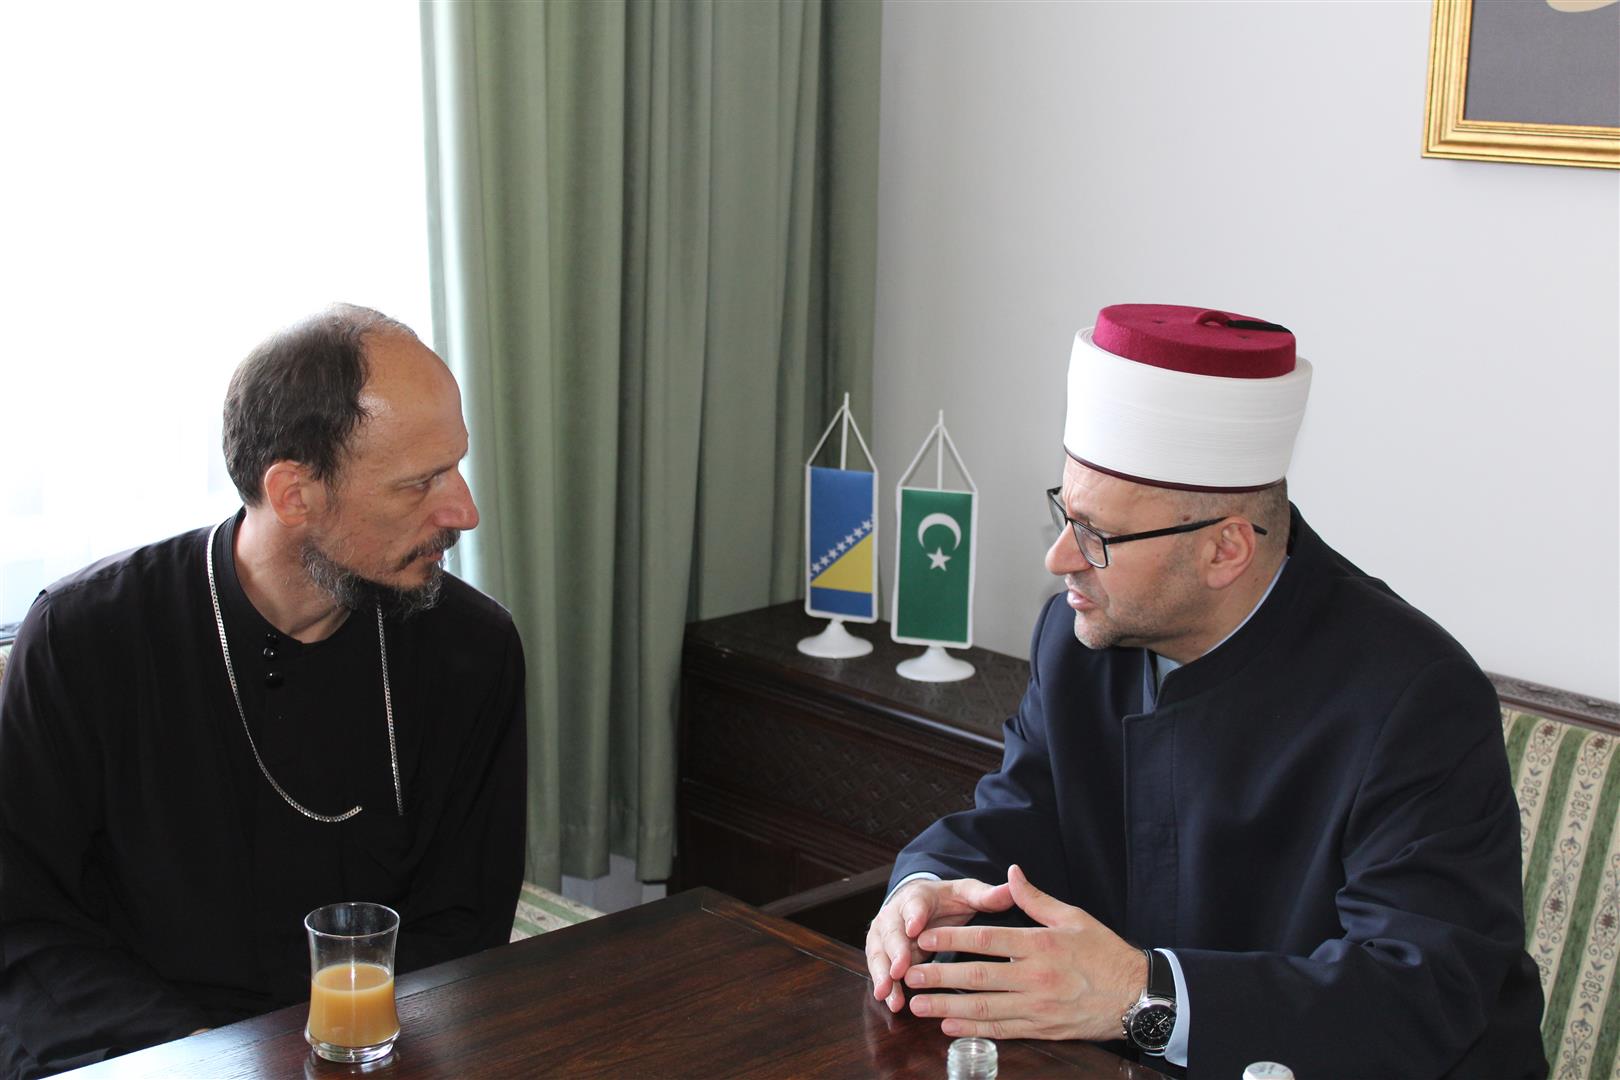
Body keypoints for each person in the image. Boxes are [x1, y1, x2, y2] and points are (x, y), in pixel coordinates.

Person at [865, 304, 1546, 1078]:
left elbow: (1415, 993)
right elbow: (1017, 816)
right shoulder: (1077, 637)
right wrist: (924, 890)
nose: (1060, 558)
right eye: (1065, 512)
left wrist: (1141, 995)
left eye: (1097, 535)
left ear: (1225, 550)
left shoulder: (1417, 698)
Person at [0, 305, 526, 1078]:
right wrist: (198, 1060)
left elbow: (466, 926)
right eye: (421, 483)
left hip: (375, 1050)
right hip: (142, 1053)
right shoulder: (86, 639)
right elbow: (22, 921)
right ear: (293, 494)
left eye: (456, 466)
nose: (464, 512)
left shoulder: (472, 649)